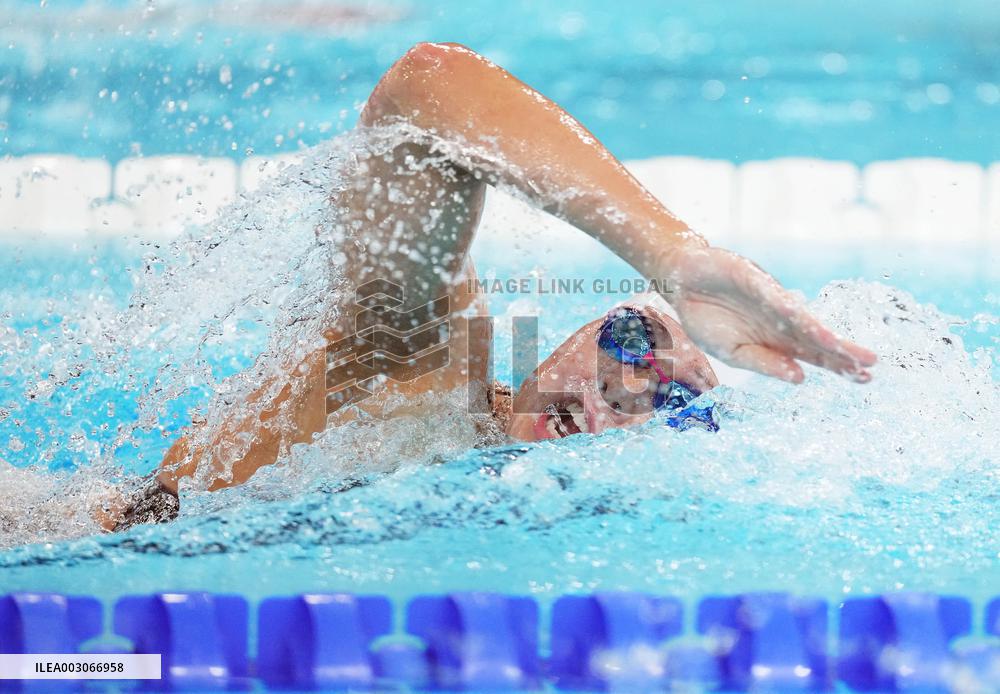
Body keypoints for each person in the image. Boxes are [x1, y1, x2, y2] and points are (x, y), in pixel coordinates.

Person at [99, 42, 876, 531]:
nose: (615, 393)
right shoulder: (428, 375)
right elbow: (424, 88)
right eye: (629, 346)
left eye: (662, 403)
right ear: (578, 335)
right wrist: (673, 257)